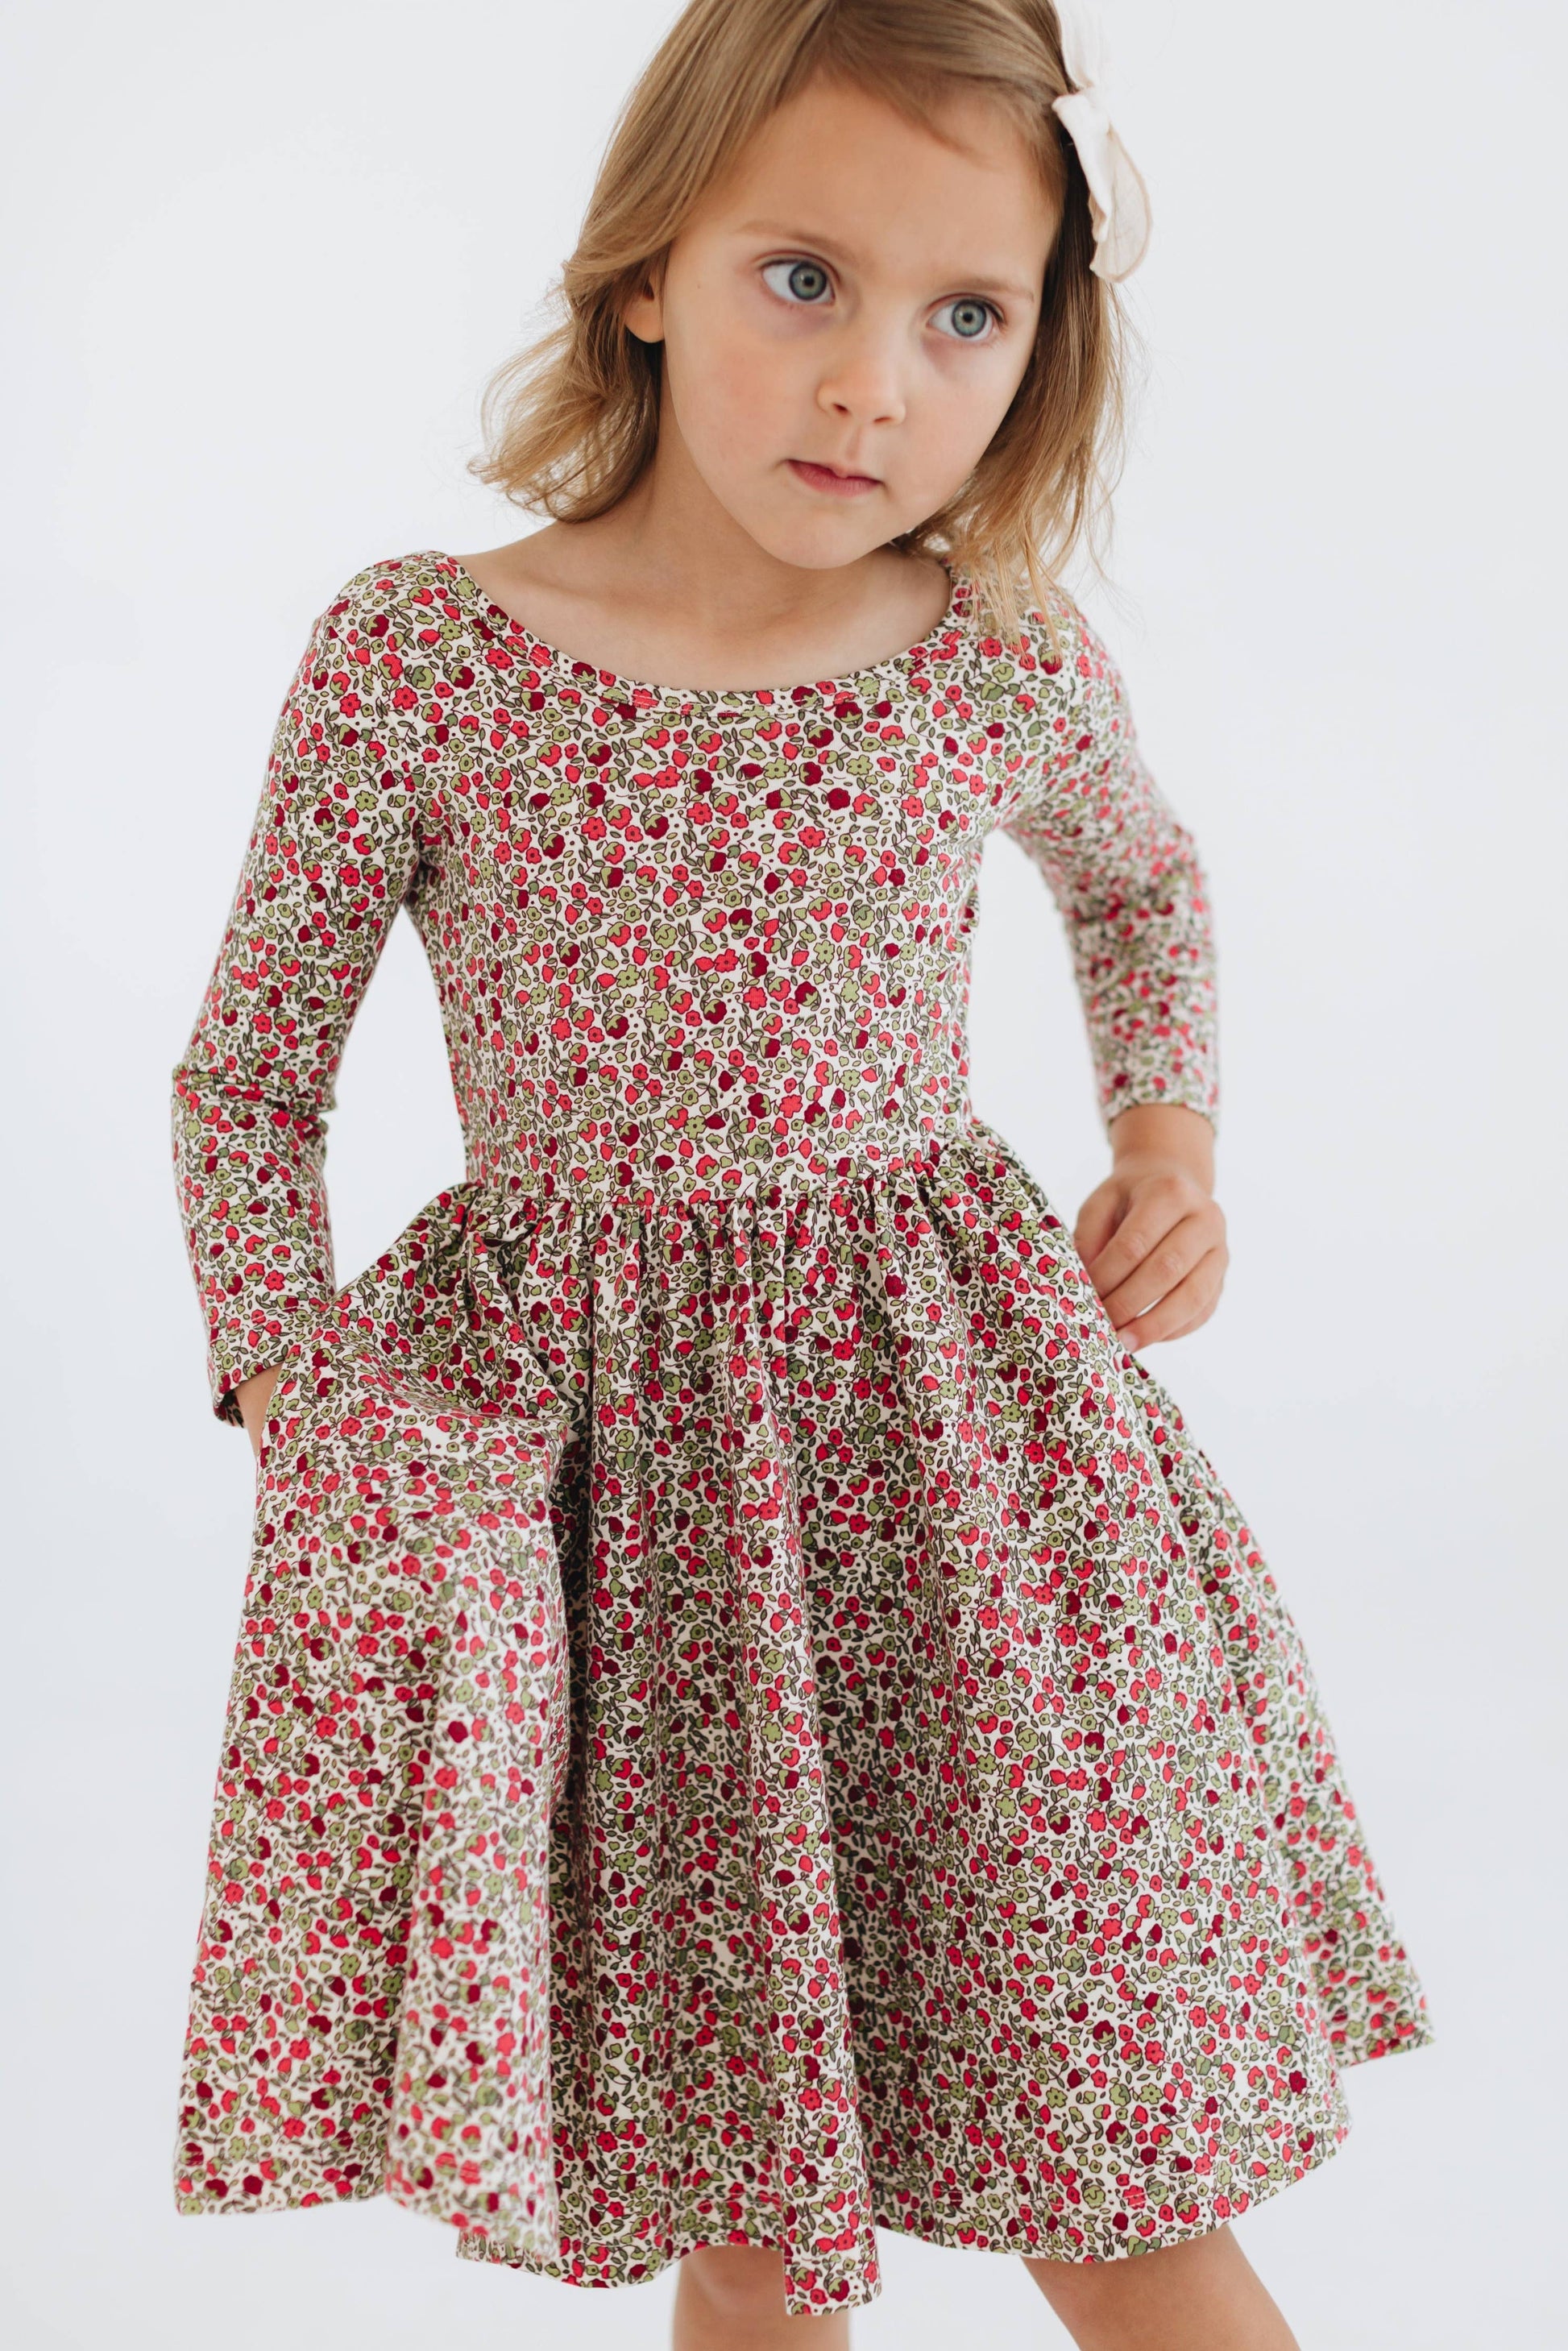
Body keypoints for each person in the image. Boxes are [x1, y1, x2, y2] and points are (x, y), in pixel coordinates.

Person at [167, 3, 1433, 2345]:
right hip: (612, 1494)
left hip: (952, 1464)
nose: (872, 386)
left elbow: (1137, 882)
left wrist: (1166, 1132)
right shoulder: (423, 658)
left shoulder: (992, 657)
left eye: (965, 315)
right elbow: (249, 1084)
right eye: (802, 280)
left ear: (1040, 345)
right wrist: (301, 1384)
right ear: (647, 266)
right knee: (749, 2171)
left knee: (1105, 2134)